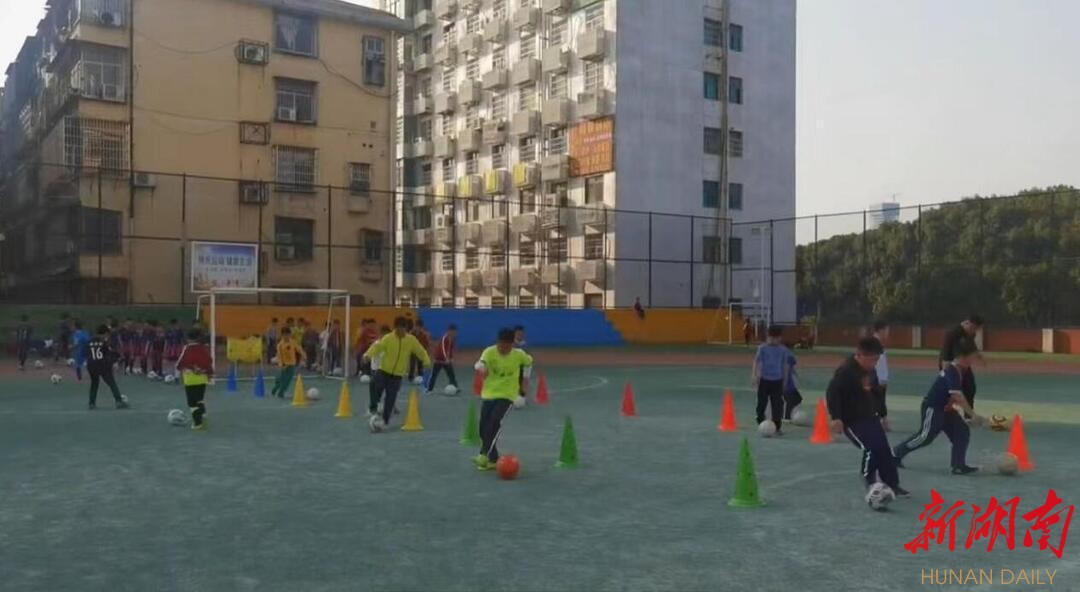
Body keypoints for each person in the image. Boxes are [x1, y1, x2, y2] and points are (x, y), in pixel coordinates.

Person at [826, 337, 907, 498]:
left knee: (884, 450)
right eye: (872, 359)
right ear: (860, 355)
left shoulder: (870, 371)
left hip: (870, 417)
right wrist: (836, 417)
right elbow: (832, 393)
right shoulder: (846, 371)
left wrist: (883, 415)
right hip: (851, 420)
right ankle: (870, 482)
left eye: (877, 360)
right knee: (871, 448)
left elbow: (877, 394)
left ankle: (892, 485)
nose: (874, 363)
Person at [893, 340, 983, 475]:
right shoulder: (952, 371)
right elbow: (957, 395)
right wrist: (973, 415)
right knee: (925, 437)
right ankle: (894, 453)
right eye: (972, 356)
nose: (974, 359)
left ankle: (958, 465)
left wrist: (968, 415)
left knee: (961, 431)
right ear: (963, 356)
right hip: (933, 408)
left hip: (946, 409)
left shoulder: (961, 370)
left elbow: (958, 396)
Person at [472, 328, 534, 471]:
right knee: (483, 427)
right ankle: (493, 458)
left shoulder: (519, 355)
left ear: (512, 344)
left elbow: (528, 363)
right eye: (501, 345)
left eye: (507, 346)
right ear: (497, 342)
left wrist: (525, 381)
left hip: (508, 394)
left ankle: (484, 454)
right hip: (489, 393)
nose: (503, 349)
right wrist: (482, 369)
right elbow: (480, 364)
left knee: (495, 421)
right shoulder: (489, 352)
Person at [362, 317, 432, 431]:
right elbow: (377, 347)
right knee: (373, 383)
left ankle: (385, 421)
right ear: (395, 328)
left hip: (397, 376)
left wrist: (426, 362)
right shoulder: (388, 338)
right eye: (399, 329)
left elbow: (420, 351)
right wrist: (367, 355)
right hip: (384, 370)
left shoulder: (411, 340)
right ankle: (373, 408)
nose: (401, 332)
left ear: (406, 328)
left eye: (403, 329)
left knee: (390, 398)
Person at [940, 315, 984, 412]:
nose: (975, 331)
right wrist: (946, 372)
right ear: (968, 323)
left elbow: (971, 345)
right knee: (951, 391)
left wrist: (978, 355)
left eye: (977, 329)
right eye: (974, 328)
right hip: (949, 364)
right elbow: (945, 354)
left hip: (963, 364)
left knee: (970, 387)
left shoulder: (971, 333)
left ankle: (968, 414)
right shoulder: (953, 333)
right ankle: (943, 411)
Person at [751, 325, 789, 434]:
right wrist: (754, 375)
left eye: (774, 338)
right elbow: (756, 361)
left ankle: (777, 425)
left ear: (779, 338)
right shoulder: (762, 348)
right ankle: (760, 421)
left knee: (777, 404)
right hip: (764, 380)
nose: (771, 340)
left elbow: (785, 365)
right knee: (761, 402)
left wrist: (785, 380)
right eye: (770, 337)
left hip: (777, 381)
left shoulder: (783, 350)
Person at [176, 328, 214, 430]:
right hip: (202, 378)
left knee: (192, 402)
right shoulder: (203, 349)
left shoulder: (187, 348)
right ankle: (203, 415)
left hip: (190, 379)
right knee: (199, 399)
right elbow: (209, 361)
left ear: (188, 338)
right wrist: (209, 374)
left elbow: (180, 363)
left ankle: (198, 423)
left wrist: (185, 368)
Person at [85, 325, 129, 410]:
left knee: (94, 383)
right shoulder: (104, 342)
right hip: (102, 364)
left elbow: (87, 352)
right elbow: (108, 353)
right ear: (105, 333)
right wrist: (117, 358)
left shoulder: (89, 341)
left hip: (91, 364)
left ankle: (91, 403)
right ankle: (118, 401)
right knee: (111, 383)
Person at [271, 327, 306, 399]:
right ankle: (278, 390)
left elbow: (298, 349)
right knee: (283, 379)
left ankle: (280, 391)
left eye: (288, 334)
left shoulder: (293, 342)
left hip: (292, 364)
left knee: (288, 379)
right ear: (282, 335)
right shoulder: (280, 345)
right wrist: (281, 365)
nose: (286, 336)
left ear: (290, 334)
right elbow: (279, 356)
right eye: (285, 335)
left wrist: (303, 354)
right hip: (284, 365)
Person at [426, 324, 459, 395]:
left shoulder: (452, 340)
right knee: (434, 375)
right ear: (449, 331)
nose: (454, 334)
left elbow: (450, 350)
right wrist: (446, 358)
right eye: (453, 332)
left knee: (451, 374)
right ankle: (429, 389)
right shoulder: (445, 338)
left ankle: (455, 387)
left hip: (446, 361)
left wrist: (451, 358)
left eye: (455, 332)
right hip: (439, 360)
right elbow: (443, 349)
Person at [872, 320, 891, 431]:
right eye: (887, 330)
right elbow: (877, 363)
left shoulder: (878, 343)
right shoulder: (875, 343)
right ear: (881, 330)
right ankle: (879, 422)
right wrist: (881, 378)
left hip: (880, 378)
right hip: (878, 378)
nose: (888, 333)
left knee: (880, 400)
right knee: (877, 400)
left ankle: (883, 421)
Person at [782, 349, 803, 421]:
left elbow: (791, 368)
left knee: (798, 398)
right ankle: (787, 417)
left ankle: (787, 415)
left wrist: (796, 374)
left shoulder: (789, 356)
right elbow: (787, 369)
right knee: (791, 400)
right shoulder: (789, 356)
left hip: (789, 383)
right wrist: (784, 383)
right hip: (787, 384)